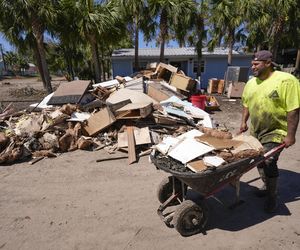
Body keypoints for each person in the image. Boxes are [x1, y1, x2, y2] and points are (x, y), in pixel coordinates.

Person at [239, 50, 300, 213]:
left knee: (268, 160)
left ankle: (272, 196)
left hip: (276, 130)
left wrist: (291, 135)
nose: (253, 67)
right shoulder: (251, 83)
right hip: (257, 130)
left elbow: (293, 109)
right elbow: (246, 104)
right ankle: (267, 186)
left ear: (268, 63)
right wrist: (243, 122)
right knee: (258, 159)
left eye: (256, 64)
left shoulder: (286, 81)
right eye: (252, 64)